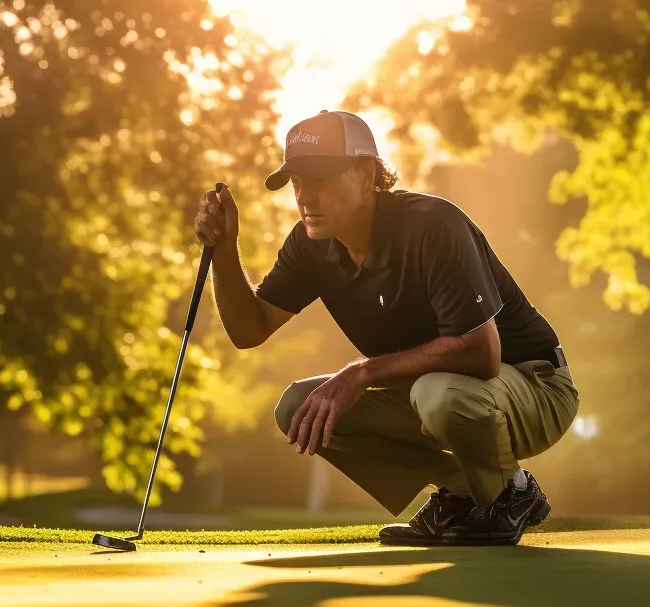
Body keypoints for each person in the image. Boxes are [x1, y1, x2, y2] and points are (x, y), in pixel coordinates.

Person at [193, 109, 581, 546]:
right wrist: (226, 251)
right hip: (441, 392)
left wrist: (360, 373)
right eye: (297, 183)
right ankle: (464, 491)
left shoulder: (432, 225)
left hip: (536, 386)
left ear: (366, 174)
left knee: (436, 393)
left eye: (321, 180)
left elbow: (481, 354)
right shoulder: (311, 245)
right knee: (300, 406)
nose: (305, 197)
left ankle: (510, 495)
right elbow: (249, 330)